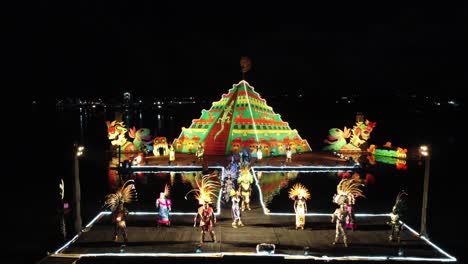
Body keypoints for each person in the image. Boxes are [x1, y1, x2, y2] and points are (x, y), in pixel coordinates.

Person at [104, 180, 137, 245]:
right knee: (117, 228)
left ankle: (124, 238)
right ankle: (116, 237)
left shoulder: (122, 205)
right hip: (117, 216)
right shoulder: (116, 205)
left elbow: (124, 209)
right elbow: (113, 209)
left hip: (121, 217)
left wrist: (126, 212)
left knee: (122, 228)